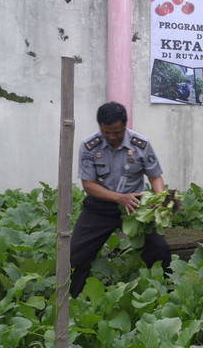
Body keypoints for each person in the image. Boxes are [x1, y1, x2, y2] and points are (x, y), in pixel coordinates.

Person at [69, 101, 171, 298]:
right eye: (107, 132)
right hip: (100, 206)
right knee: (76, 254)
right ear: (100, 126)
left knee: (159, 250)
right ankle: (72, 298)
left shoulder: (141, 144)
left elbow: (155, 176)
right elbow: (88, 185)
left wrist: (158, 200)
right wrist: (119, 198)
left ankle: (166, 292)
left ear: (125, 125)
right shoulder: (90, 145)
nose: (112, 137)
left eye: (116, 132)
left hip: (136, 205)